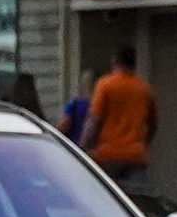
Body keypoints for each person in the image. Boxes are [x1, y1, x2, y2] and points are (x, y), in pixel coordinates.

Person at [83, 46, 159, 185]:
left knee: (108, 198)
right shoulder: (145, 89)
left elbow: (94, 120)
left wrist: (83, 146)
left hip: (107, 155)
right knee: (135, 199)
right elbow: (153, 124)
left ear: (115, 62)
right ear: (134, 64)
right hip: (135, 156)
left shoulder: (105, 85)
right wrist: (141, 143)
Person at [59, 70, 97, 145]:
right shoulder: (102, 106)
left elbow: (63, 126)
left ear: (83, 85)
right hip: (95, 149)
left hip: (75, 146)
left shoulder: (75, 104)